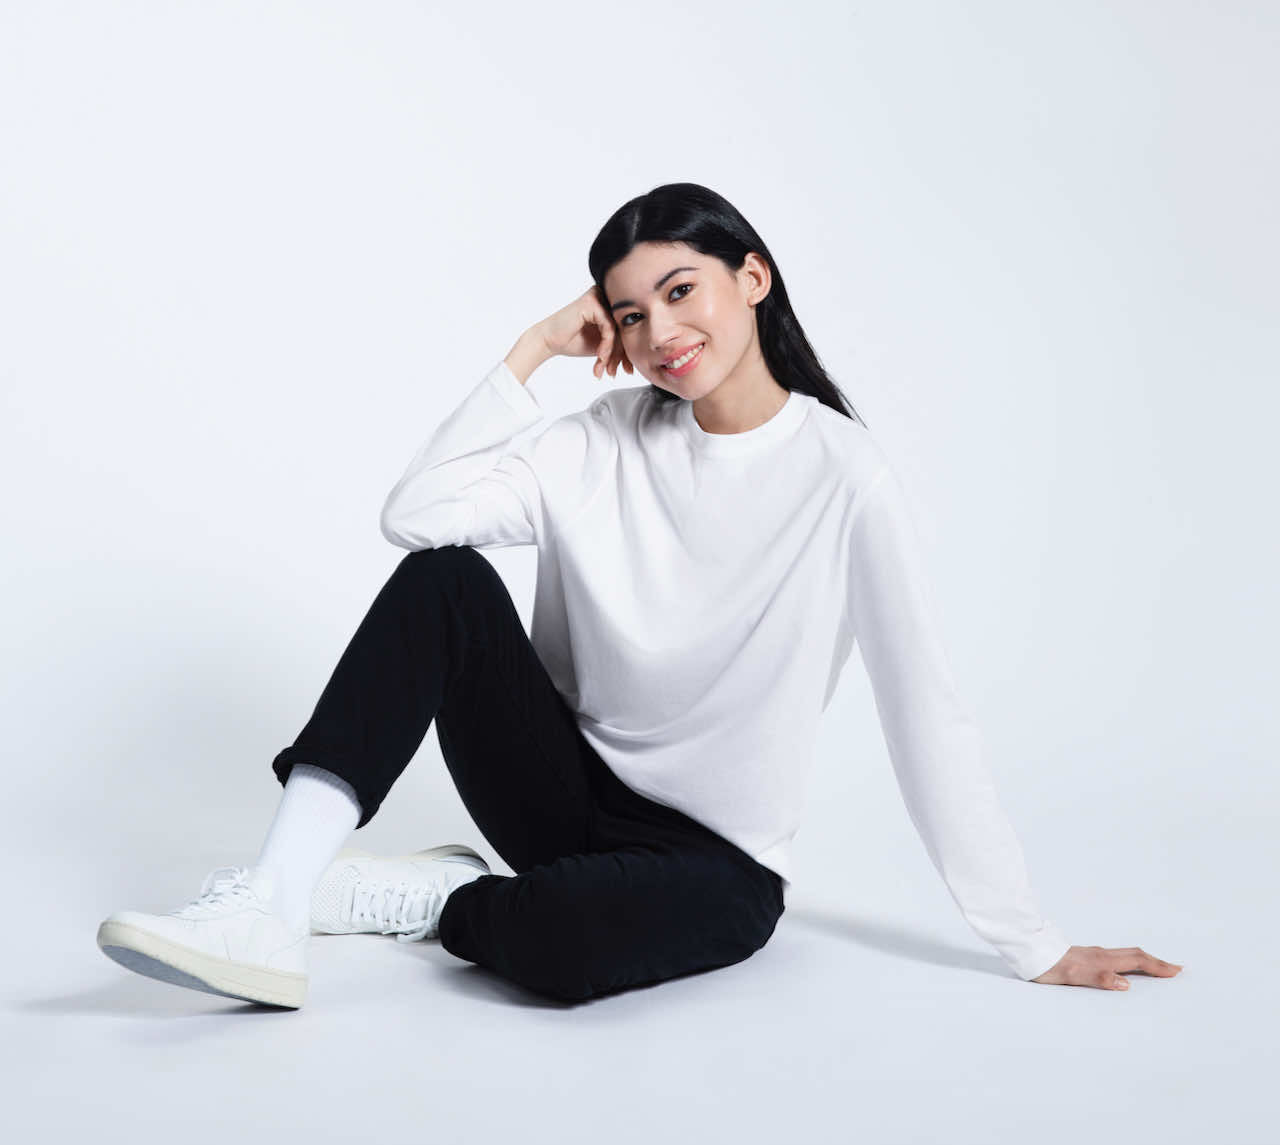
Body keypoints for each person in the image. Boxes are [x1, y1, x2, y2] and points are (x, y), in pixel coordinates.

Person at [96, 182, 1183, 1010]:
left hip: (713, 861)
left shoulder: (846, 480)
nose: (658, 335)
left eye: (679, 292)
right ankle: (271, 904)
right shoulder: (597, 443)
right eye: (626, 315)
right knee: (443, 581)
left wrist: (1029, 939)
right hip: (561, 796)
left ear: (749, 279)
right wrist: (527, 353)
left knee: (562, 961)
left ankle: (438, 898)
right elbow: (415, 515)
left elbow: (923, 714)